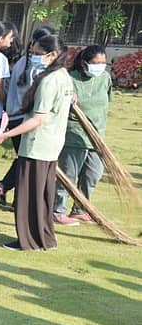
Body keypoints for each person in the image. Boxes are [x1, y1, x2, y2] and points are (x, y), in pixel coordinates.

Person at [0, 34, 72, 251]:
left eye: (37, 54)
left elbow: (38, 118)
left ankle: (28, 240)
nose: (34, 58)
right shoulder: (64, 76)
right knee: (42, 196)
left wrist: (6, 135)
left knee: (28, 196)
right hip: (51, 145)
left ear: (52, 55)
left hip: (38, 145)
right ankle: (44, 237)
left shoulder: (49, 80)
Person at [0, 25, 56, 206]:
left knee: (24, 159)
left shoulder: (21, 61)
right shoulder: (36, 67)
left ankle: (14, 195)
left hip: (14, 116)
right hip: (25, 119)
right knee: (27, 161)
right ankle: (5, 187)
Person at [52, 45, 112, 225]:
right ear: (84, 63)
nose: (100, 66)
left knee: (93, 174)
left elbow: (107, 102)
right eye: (95, 63)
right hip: (75, 134)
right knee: (68, 175)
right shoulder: (70, 79)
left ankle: (80, 208)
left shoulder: (106, 78)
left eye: (103, 63)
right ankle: (57, 210)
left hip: (96, 136)